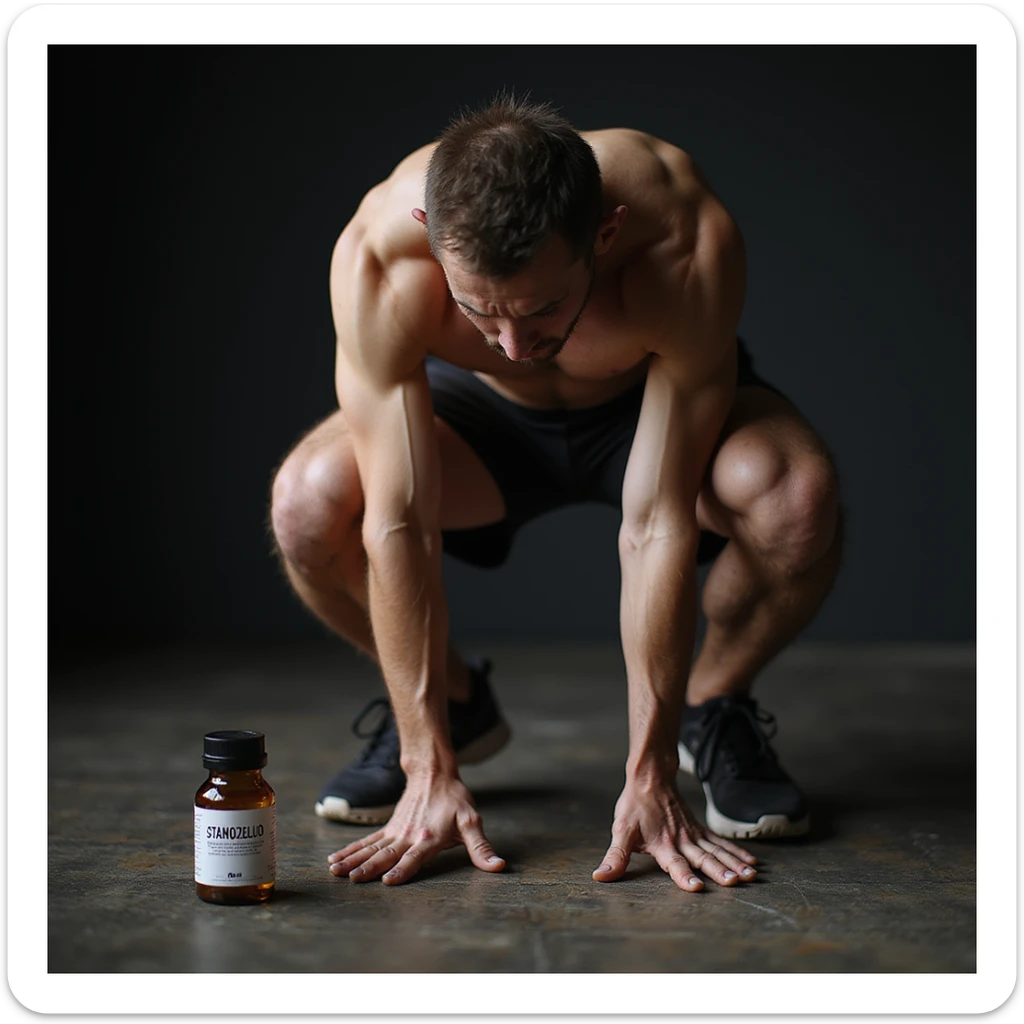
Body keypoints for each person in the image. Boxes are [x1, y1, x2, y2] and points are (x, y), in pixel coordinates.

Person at [269, 95, 842, 892]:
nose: (513, 344)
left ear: (602, 236)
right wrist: (424, 762)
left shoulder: (681, 234)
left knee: (795, 493)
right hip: (480, 425)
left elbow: (656, 525)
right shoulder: (380, 256)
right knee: (309, 501)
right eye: (481, 312)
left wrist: (650, 775)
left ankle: (711, 707)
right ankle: (453, 710)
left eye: (541, 308)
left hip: (643, 404)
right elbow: (400, 525)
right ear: (431, 230)